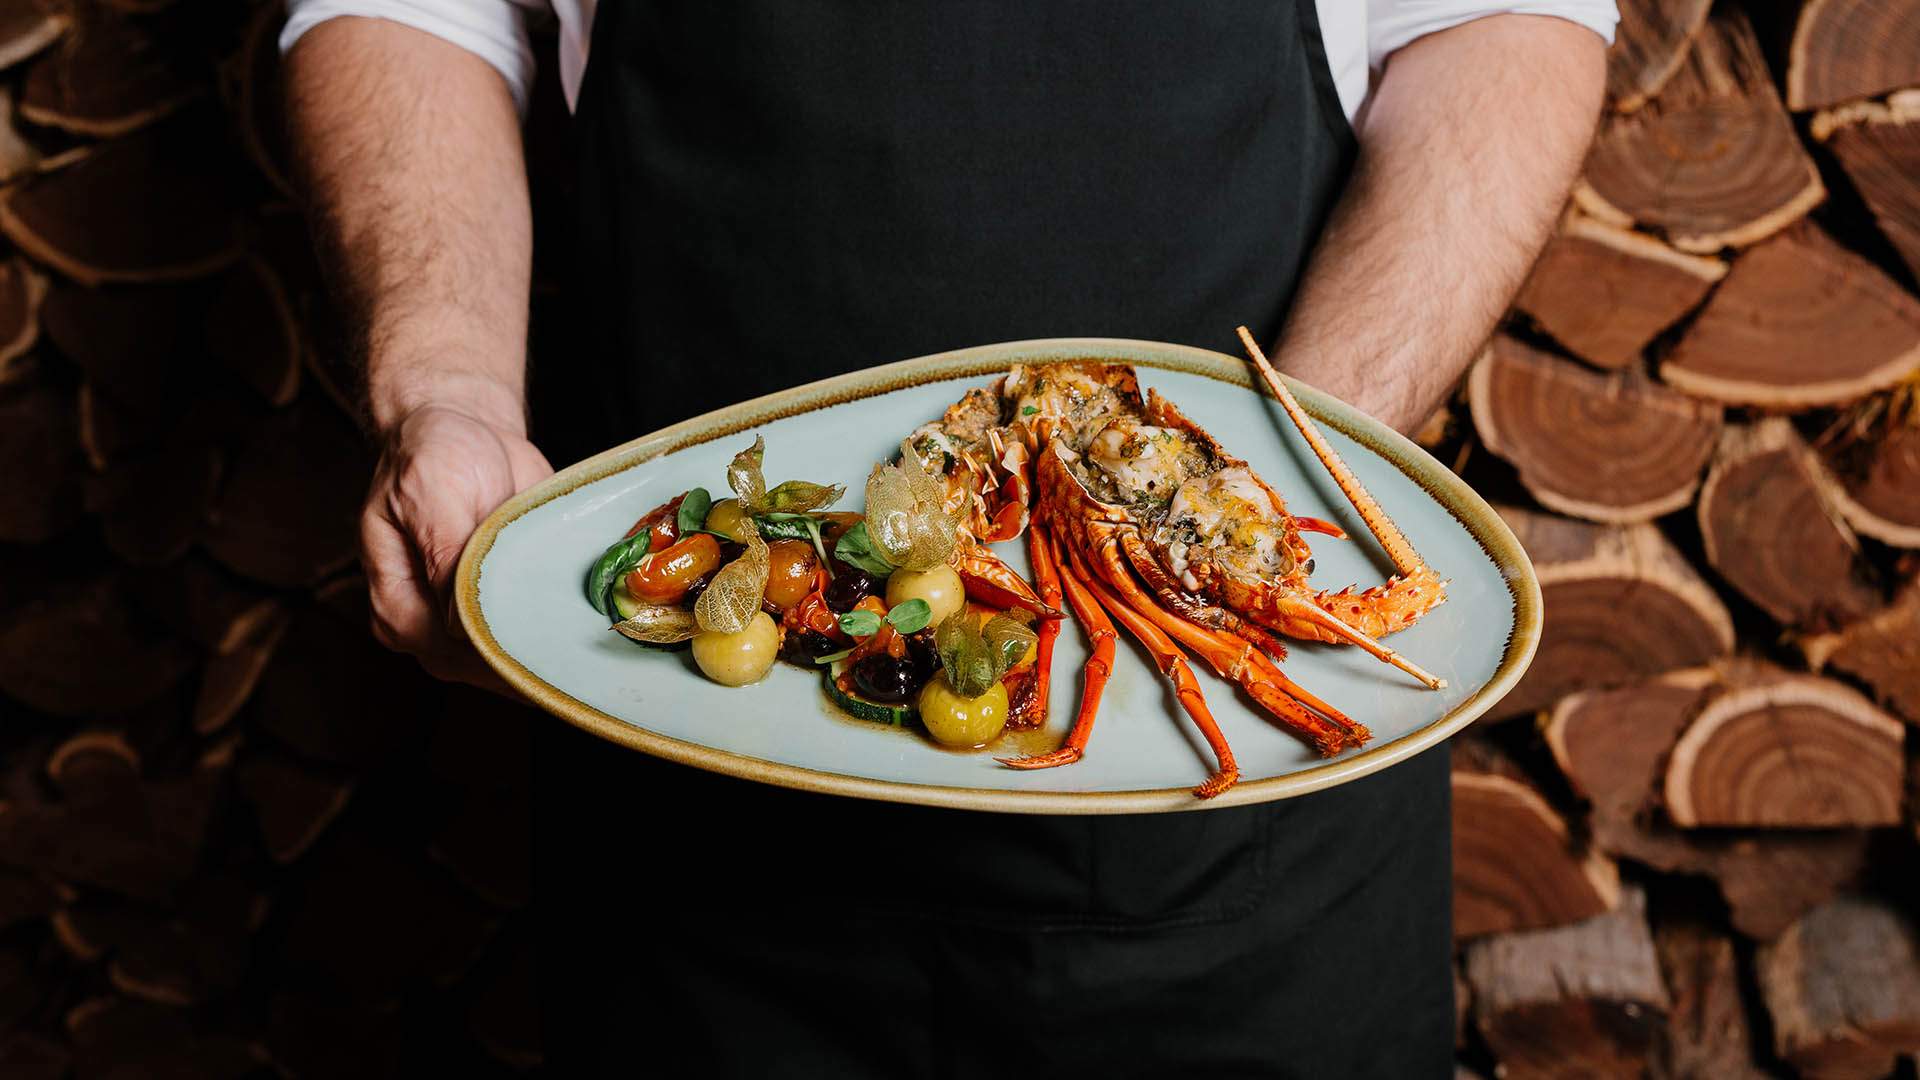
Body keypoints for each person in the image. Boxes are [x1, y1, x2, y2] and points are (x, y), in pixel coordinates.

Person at [284, 2, 1611, 1075]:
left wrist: (1270, 487)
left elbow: (1505, 24)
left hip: (1245, 886)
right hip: (697, 850)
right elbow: (409, 14)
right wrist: (446, 391)